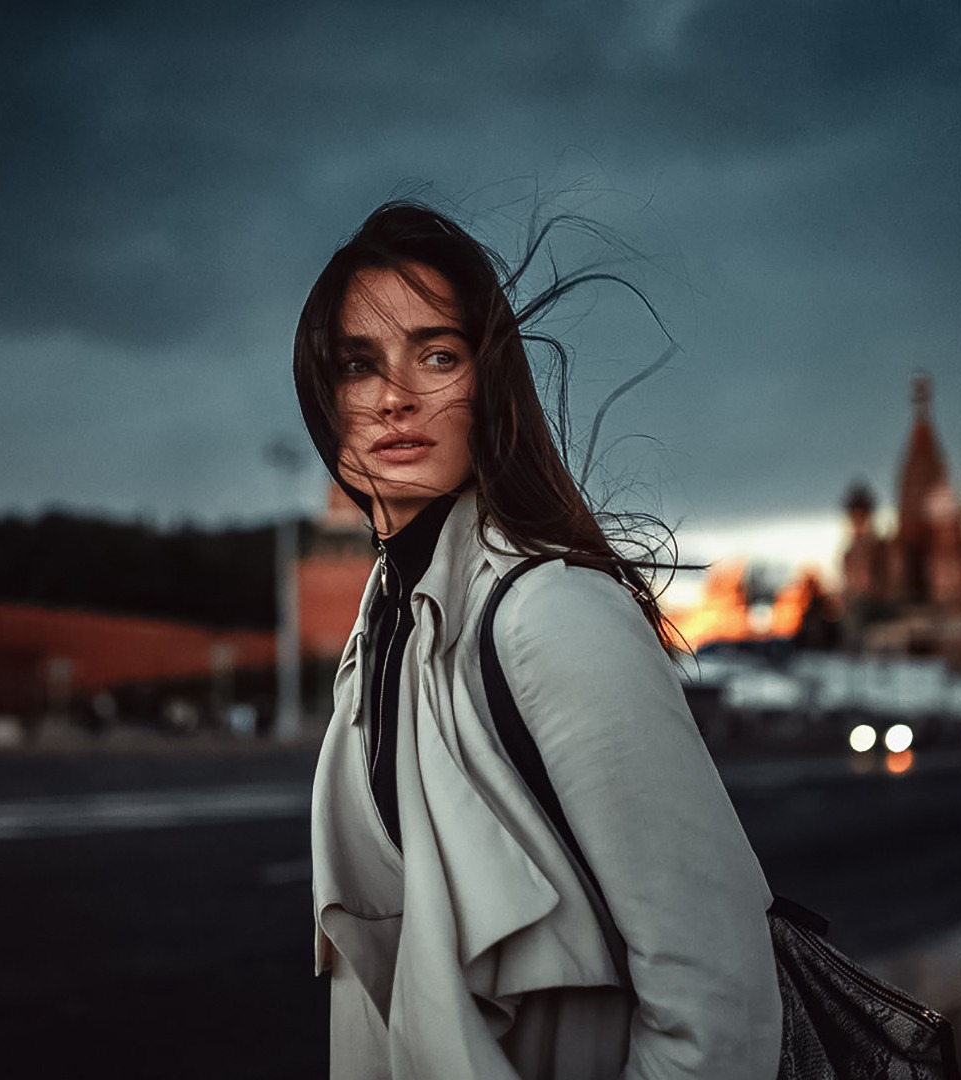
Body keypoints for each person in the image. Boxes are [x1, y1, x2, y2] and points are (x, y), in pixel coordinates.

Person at [296, 202, 781, 1079]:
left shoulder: (551, 611)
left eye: (437, 355)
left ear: (490, 384)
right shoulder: (381, 634)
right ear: (326, 402)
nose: (397, 396)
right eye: (359, 366)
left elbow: (719, 1004)